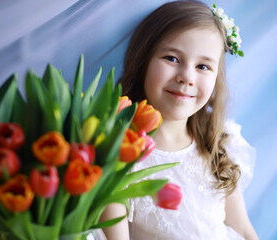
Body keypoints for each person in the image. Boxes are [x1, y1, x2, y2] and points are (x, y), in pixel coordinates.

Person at [100, 0, 259, 239]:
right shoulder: (119, 155)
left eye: (203, 66)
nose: (187, 77)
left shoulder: (218, 144)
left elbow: (243, 229)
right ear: (144, 61)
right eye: (172, 58)